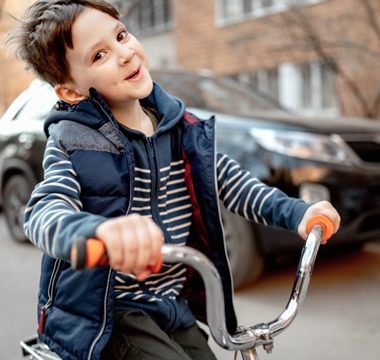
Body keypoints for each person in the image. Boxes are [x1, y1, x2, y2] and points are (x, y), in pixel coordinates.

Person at [3, 1, 340, 359]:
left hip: (171, 302)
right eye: (100, 55)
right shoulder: (72, 142)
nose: (124, 53)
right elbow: (43, 212)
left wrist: (297, 213)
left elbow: (233, 182)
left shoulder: (180, 128)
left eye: (121, 35)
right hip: (110, 313)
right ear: (71, 91)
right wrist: (97, 234)